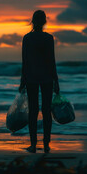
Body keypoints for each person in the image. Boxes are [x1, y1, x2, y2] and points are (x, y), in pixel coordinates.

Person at [19, 10, 60, 153]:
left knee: (33, 111)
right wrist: (56, 81)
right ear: (44, 22)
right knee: (46, 111)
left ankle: (33, 145)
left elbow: (25, 61)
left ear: (32, 21)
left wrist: (22, 80)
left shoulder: (27, 38)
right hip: (47, 78)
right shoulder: (49, 38)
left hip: (31, 77)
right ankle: (46, 144)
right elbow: (52, 61)